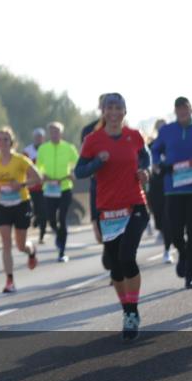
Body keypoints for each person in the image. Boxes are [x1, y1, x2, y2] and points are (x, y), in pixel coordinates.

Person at [75, 93, 151, 341]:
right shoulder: (93, 140)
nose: (114, 112)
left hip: (135, 206)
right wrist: (98, 162)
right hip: (108, 210)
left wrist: (145, 171)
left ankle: (131, 312)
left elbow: (145, 156)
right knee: (115, 266)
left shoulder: (134, 136)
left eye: (118, 107)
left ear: (125, 111)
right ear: (103, 111)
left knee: (127, 257)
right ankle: (127, 308)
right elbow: (80, 172)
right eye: (110, 107)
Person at [150, 97, 192, 289]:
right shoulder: (167, 131)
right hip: (173, 189)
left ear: (191, 109)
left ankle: (191, 274)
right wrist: (156, 163)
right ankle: (183, 254)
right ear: (175, 112)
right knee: (175, 232)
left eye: (185, 109)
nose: (182, 113)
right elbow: (155, 149)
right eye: (179, 110)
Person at [0, 126, 41, 293]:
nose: (2, 143)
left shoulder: (20, 160)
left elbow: (37, 178)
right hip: (2, 205)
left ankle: (31, 250)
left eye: (5, 139)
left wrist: (21, 184)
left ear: (12, 142)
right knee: (6, 244)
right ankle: (9, 281)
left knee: (20, 245)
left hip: (21, 204)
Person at [35, 122, 79, 262]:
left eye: (57, 131)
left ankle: (62, 250)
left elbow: (77, 165)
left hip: (65, 187)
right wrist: (43, 176)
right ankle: (57, 233)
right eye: (52, 131)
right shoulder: (43, 148)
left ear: (61, 133)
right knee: (51, 219)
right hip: (49, 188)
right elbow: (37, 167)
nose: (54, 134)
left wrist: (71, 174)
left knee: (63, 218)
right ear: (49, 133)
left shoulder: (69, 148)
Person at [81, 94, 108, 244]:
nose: (108, 109)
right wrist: (97, 162)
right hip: (97, 182)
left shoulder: (125, 131)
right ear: (100, 107)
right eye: (104, 105)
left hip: (119, 182)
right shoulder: (88, 130)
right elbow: (84, 160)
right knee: (99, 233)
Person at [147, 119, 173, 263]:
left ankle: (167, 250)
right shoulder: (151, 146)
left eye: (165, 127)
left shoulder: (173, 145)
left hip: (170, 185)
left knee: (168, 218)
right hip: (155, 186)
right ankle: (163, 233)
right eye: (160, 128)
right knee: (158, 218)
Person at [23, 127, 48, 243]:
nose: (39, 139)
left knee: (44, 212)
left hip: (45, 186)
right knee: (34, 210)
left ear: (43, 138)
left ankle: (42, 236)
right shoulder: (27, 151)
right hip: (32, 186)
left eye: (41, 137)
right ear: (34, 138)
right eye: (37, 137)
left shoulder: (48, 149)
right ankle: (36, 218)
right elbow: (22, 168)